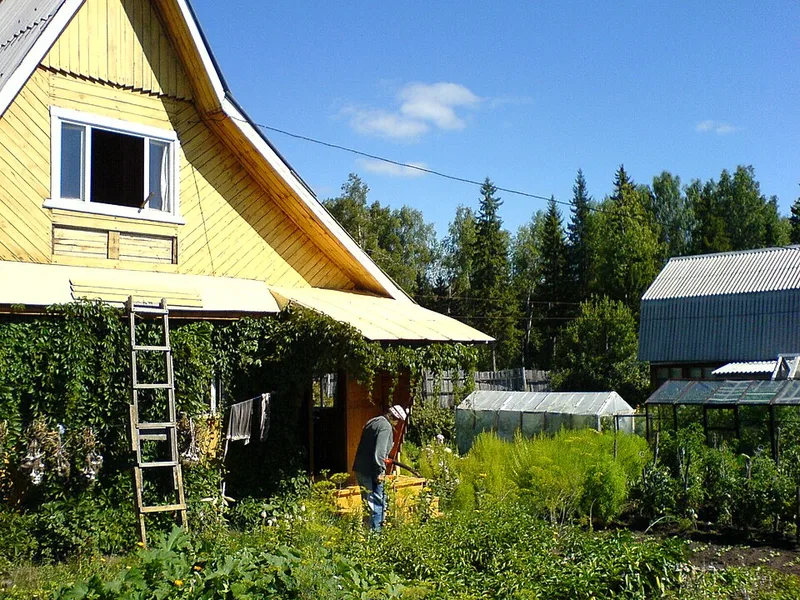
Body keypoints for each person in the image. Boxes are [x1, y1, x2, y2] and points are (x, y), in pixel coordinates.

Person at [352, 404, 407, 531]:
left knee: (367, 504)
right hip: (372, 471)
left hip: (360, 468)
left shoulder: (373, 421)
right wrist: (380, 472)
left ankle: (366, 534)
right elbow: (380, 452)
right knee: (377, 504)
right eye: (398, 421)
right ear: (395, 418)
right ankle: (376, 537)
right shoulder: (386, 427)